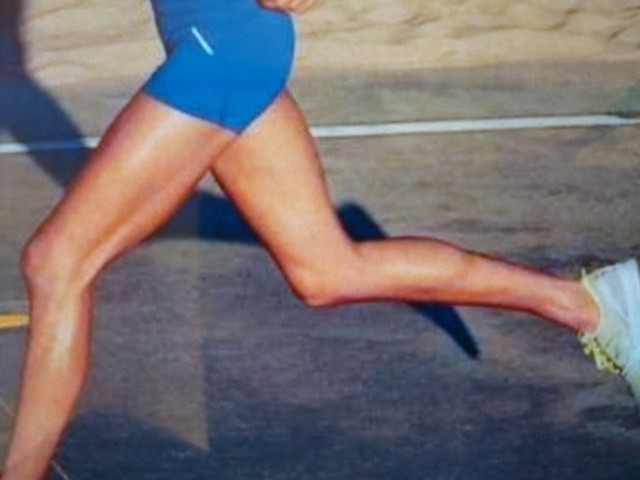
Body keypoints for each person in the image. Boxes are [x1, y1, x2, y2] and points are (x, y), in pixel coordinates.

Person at [2, 0, 639, 478]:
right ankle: (594, 303)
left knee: (57, 263)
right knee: (327, 272)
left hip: (220, 53)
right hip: (223, 51)